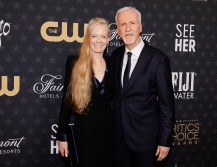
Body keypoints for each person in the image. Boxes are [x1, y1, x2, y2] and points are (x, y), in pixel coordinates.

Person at [111, 6, 175, 167]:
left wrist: (164, 141)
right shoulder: (116, 55)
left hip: (146, 141)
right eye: (123, 24)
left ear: (140, 27)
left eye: (132, 23)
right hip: (118, 139)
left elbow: (167, 104)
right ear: (118, 30)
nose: (127, 28)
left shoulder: (157, 59)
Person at [56, 17, 114, 167]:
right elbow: (66, 101)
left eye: (103, 37)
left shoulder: (114, 64)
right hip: (84, 132)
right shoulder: (74, 62)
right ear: (88, 38)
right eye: (94, 36)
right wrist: (62, 136)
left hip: (109, 132)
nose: (98, 41)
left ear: (108, 40)